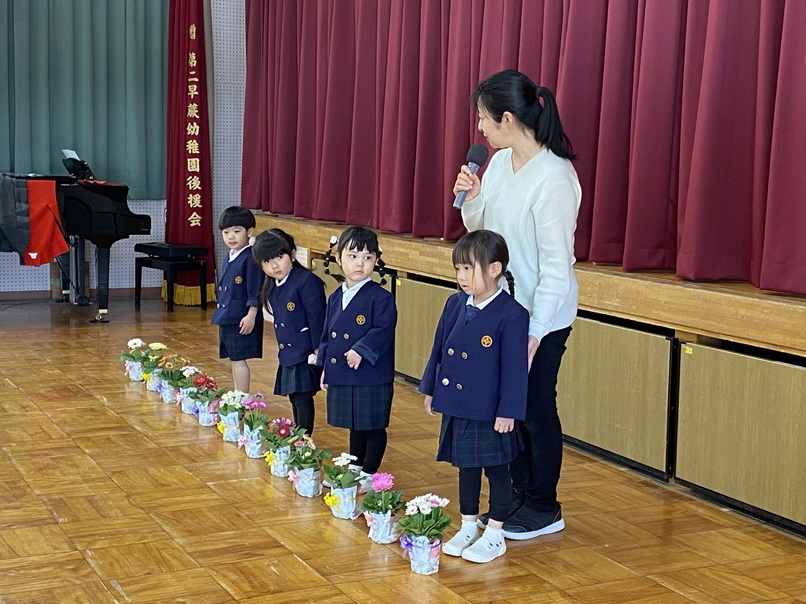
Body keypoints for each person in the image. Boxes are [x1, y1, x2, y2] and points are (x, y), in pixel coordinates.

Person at [453, 69, 581, 540]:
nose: (480, 128)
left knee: (534, 408)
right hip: (504, 311)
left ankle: (544, 506)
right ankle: (518, 498)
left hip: (543, 317)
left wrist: (536, 331)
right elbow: (482, 235)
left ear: (507, 119)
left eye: (484, 118)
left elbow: (557, 269)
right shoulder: (501, 162)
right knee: (507, 406)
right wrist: (472, 198)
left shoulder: (555, 178)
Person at [420, 230, 529, 563]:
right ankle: (468, 525)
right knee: (465, 468)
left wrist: (508, 411)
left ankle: (495, 532)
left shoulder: (513, 314)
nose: (462, 276)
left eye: (469, 268)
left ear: (495, 269)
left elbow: (515, 369)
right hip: (457, 404)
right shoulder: (454, 304)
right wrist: (431, 389)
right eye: (458, 269)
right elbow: (439, 350)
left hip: (489, 409)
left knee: (497, 471)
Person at [317, 226, 397, 491]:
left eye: (367, 257)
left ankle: (370, 474)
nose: (360, 263)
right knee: (355, 423)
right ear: (339, 258)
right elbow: (327, 335)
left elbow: (383, 329)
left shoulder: (381, 298)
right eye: (352, 256)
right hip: (344, 373)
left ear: (376, 260)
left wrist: (361, 350)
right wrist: (325, 367)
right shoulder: (335, 296)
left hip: (371, 375)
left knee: (372, 426)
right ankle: (355, 467)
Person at [253, 228, 326, 435]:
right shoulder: (272, 285)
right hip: (288, 353)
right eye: (267, 261)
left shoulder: (307, 281)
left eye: (279, 257)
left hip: (305, 352)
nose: (274, 265)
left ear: (292, 254)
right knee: (294, 396)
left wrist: (319, 350)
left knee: (302, 396)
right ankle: (299, 435)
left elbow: (317, 318)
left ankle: (303, 439)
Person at [211, 206, 265, 393]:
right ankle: (237, 394)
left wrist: (251, 314)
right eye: (226, 232)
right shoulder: (230, 256)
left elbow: (255, 291)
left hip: (241, 318)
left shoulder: (251, 258)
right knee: (234, 359)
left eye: (236, 231)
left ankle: (242, 397)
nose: (231, 237)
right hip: (228, 315)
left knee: (239, 359)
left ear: (249, 232)